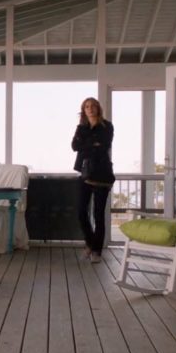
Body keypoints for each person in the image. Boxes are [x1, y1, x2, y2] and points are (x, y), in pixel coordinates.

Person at [71, 97, 115, 263]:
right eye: (87, 107)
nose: (90, 109)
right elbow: (74, 146)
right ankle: (90, 243)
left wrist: (87, 144)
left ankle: (96, 251)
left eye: (93, 106)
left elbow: (104, 145)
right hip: (84, 174)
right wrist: (92, 143)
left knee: (98, 215)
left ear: (98, 108)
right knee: (81, 213)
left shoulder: (107, 126)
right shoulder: (81, 128)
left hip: (102, 174)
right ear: (84, 110)